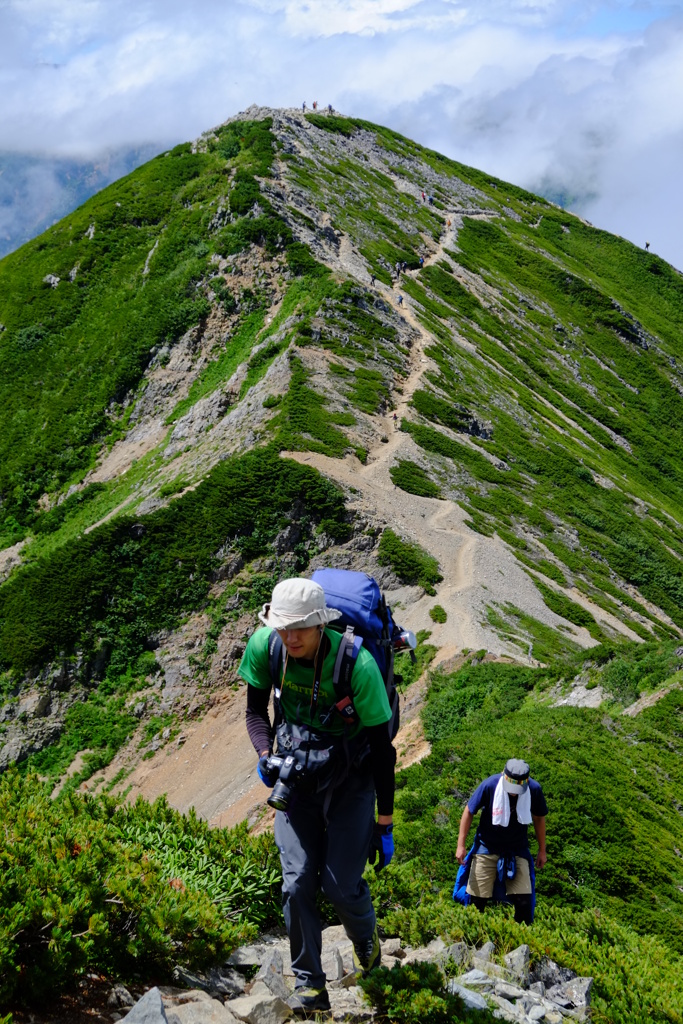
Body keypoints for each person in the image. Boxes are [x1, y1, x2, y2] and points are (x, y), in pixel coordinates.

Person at [239, 578, 397, 1015]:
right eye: (283, 628)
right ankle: (310, 985)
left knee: (340, 886)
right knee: (297, 883)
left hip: (352, 780)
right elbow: (255, 711)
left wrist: (385, 821)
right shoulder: (266, 647)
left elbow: (383, 750)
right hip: (297, 780)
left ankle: (366, 942)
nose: (290, 639)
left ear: (320, 625)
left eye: (300, 630)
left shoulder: (356, 665)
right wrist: (265, 754)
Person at [454, 759, 547, 925]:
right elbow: (469, 811)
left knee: (524, 901)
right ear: (504, 776)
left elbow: (539, 818)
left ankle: (520, 944)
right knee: (477, 899)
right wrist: (461, 846)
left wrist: (542, 850)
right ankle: (472, 942)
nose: (513, 793)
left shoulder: (534, 789)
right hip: (487, 845)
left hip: (517, 848)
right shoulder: (490, 785)